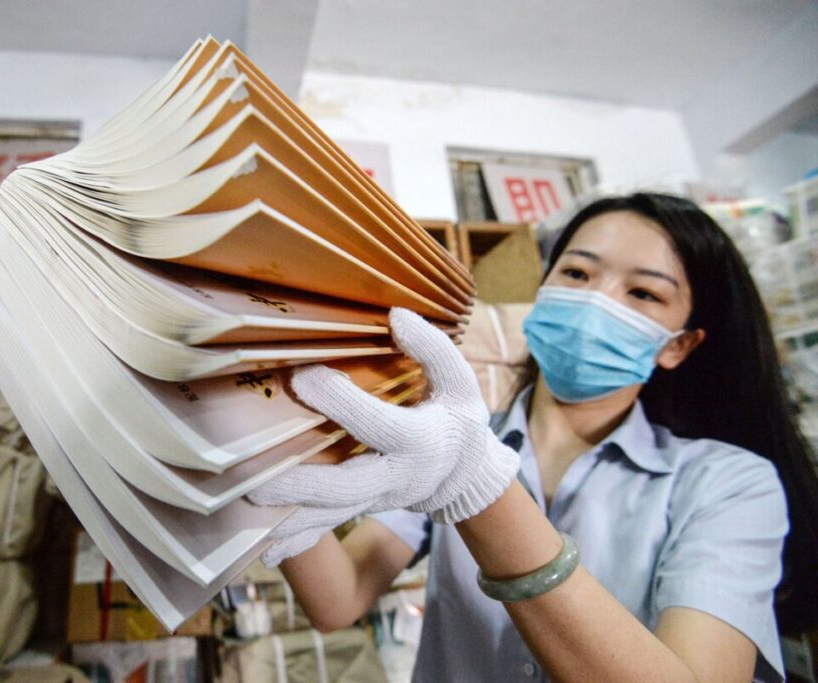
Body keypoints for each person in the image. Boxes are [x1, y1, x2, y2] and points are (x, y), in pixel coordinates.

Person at [248, 193, 818, 682]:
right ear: (543, 287)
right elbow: (337, 598)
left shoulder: (728, 482)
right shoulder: (452, 439)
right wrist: (267, 440)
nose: (597, 300)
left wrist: (480, 491)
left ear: (679, 344)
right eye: (577, 273)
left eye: (643, 294)